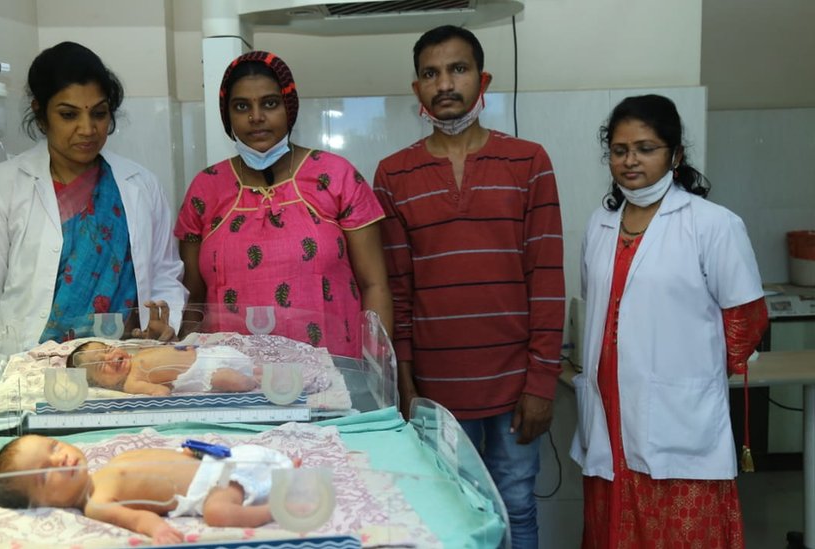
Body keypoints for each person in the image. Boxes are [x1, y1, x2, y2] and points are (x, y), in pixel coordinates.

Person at [373, 25, 565, 548]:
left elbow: (547, 281)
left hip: (514, 385)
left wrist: (541, 385)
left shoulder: (529, 162)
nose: (445, 84)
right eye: (431, 74)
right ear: (417, 90)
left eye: (457, 69)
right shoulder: (393, 174)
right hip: (437, 391)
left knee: (517, 504)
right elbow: (397, 289)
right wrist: (406, 385)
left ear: (483, 79)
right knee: (451, 518)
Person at [571, 94, 768, 548]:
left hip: (678, 414)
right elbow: (599, 303)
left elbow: (746, 319)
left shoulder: (713, 224)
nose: (630, 161)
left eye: (645, 148)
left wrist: (689, 370)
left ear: (675, 155)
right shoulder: (600, 223)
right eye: (619, 150)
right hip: (609, 411)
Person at [0, 42, 186, 349]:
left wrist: (165, 324)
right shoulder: (1, 187)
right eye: (68, 115)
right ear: (41, 115)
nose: (87, 129)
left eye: (99, 113)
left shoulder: (141, 185)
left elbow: (164, 274)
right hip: (31, 372)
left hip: (123, 365)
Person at [174, 51, 392, 358]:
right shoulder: (206, 188)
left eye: (270, 103)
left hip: (335, 375)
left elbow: (375, 286)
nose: (256, 117)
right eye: (241, 107)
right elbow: (194, 300)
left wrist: (375, 373)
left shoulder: (336, 176)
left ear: (288, 108)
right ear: (227, 116)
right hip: (234, 379)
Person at [0, 435, 297, 544]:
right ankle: (274, 509)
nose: (59, 458)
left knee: (249, 455)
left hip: (218, 463)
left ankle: (280, 470)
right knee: (217, 513)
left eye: (53, 446)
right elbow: (137, 520)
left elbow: (164, 460)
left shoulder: (106, 467)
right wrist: (159, 530)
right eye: (44, 474)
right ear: (41, 503)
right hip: (209, 490)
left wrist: (190, 453)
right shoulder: (95, 502)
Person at [68, 341, 258, 396]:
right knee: (235, 380)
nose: (110, 357)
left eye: (108, 349)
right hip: (202, 373)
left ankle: (266, 375)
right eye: (102, 365)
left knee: (254, 367)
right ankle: (254, 382)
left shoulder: (135, 355)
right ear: (100, 384)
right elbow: (161, 391)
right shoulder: (131, 383)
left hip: (207, 353)